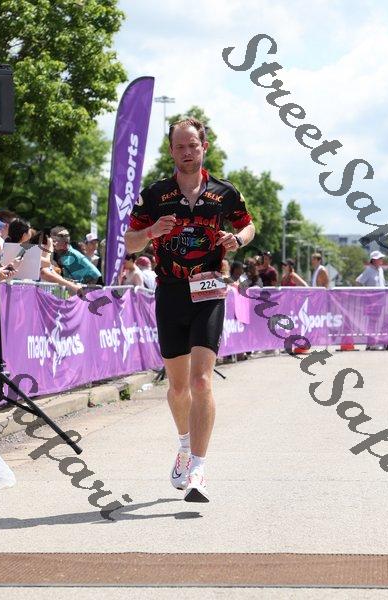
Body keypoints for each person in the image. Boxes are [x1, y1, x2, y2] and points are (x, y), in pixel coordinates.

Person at [125, 117, 255, 502]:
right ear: (171, 151)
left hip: (210, 289)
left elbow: (248, 226)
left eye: (193, 145)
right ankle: (184, 445)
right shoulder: (155, 195)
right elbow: (129, 242)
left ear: (204, 147)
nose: (187, 152)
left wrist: (237, 239)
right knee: (179, 387)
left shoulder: (224, 192)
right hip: (170, 292)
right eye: (180, 146)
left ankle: (198, 468)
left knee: (201, 382)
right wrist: (151, 232)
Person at [356, 250, 386, 350]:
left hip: (380, 300)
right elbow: (358, 282)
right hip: (371, 301)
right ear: (373, 260)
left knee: (376, 321)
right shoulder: (368, 270)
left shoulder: (380, 269)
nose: (381, 260)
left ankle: (373, 343)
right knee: (372, 322)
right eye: (379, 258)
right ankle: (370, 343)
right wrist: (366, 294)